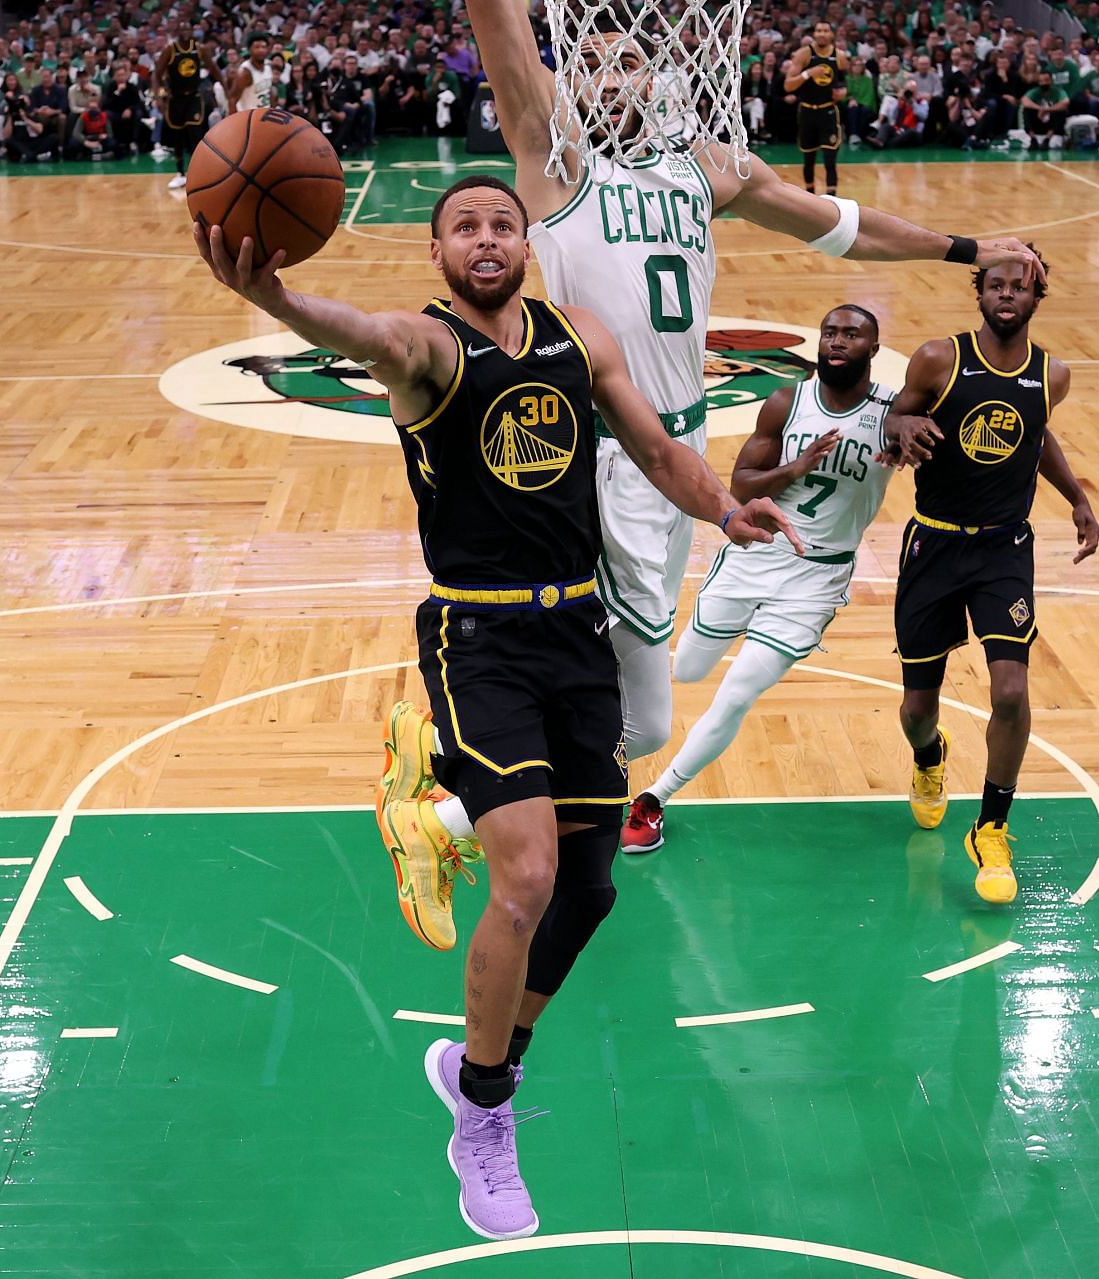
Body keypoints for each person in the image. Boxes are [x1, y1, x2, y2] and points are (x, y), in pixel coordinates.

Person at [196, 175, 802, 1241]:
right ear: (437, 254)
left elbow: (660, 452)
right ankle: (483, 1119)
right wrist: (283, 303)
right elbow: (360, 329)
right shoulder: (429, 350)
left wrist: (724, 506)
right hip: (479, 639)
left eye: (502, 223)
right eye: (464, 227)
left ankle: (486, 1059)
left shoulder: (576, 337)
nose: (486, 238)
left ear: (526, 243)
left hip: (577, 628)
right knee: (524, 877)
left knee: (593, 889)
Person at [435, 0, 1040, 855]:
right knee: (621, 710)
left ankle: (454, 754)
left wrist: (968, 250)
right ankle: (447, 809)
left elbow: (847, 232)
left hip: (674, 461)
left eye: (631, 62)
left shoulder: (708, 170)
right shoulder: (553, 160)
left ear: (664, 77)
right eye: (595, 63)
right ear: (569, 81)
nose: (613, 77)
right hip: (598, 455)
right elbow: (498, 25)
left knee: (628, 713)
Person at [627, 306, 896, 850]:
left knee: (736, 693)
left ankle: (653, 799)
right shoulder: (786, 402)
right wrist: (796, 469)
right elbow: (742, 484)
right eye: (830, 332)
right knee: (688, 671)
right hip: (755, 553)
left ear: (873, 346)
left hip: (816, 578)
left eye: (852, 334)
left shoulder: (894, 411)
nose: (837, 341)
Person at [885, 252, 1099, 905]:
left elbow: (1036, 437)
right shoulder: (937, 360)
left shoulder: (1050, 375)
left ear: (1039, 294)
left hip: (1005, 550)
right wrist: (902, 426)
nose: (1008, 294)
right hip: (934, 544)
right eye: (997, 285)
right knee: (917, 711)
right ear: (979, 291)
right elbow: (893, 419)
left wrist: (1076, 497)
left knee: (1010, 691)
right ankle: (930, 756)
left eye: (1020, 286)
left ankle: (992, 826)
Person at [786, 22, 844, 195]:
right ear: (814, 33)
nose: (822, 34)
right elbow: (788, 85)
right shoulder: (804, 54)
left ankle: (832, 199)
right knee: (808, 158)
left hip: (828, 111)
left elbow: (844, 83)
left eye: (826, 30)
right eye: (818, 30)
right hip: (807, 111)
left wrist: (842, 92)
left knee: (830, 159)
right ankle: (810, 196)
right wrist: (807, 74)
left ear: (831, 34)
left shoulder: (839, 56)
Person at [156, 29, 207, 188]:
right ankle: (180, 173)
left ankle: (200, 173)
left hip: (193, 97)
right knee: (177, 135)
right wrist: (158, 94)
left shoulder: (199, 48)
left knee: (195, 133)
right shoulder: (170, 50)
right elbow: (157, 74)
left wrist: (226, 88)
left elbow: (214, 68)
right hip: (175, 98)